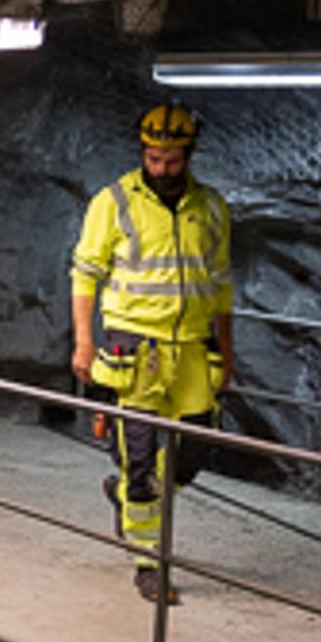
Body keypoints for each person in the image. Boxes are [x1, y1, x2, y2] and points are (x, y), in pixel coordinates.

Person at [67, 101, 234, 602]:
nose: (161, 168)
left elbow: (221, 282)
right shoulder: (113, 201)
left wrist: (227, 350)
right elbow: (85, 273)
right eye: (154, 157)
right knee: (140, 461)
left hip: (193, 352)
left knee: (193, 453)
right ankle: (149, 561)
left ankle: (127, 498)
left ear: (189, 155)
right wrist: (83, 340)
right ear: (142, 150)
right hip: (134, 348)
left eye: (172, 159)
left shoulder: (211, 208)